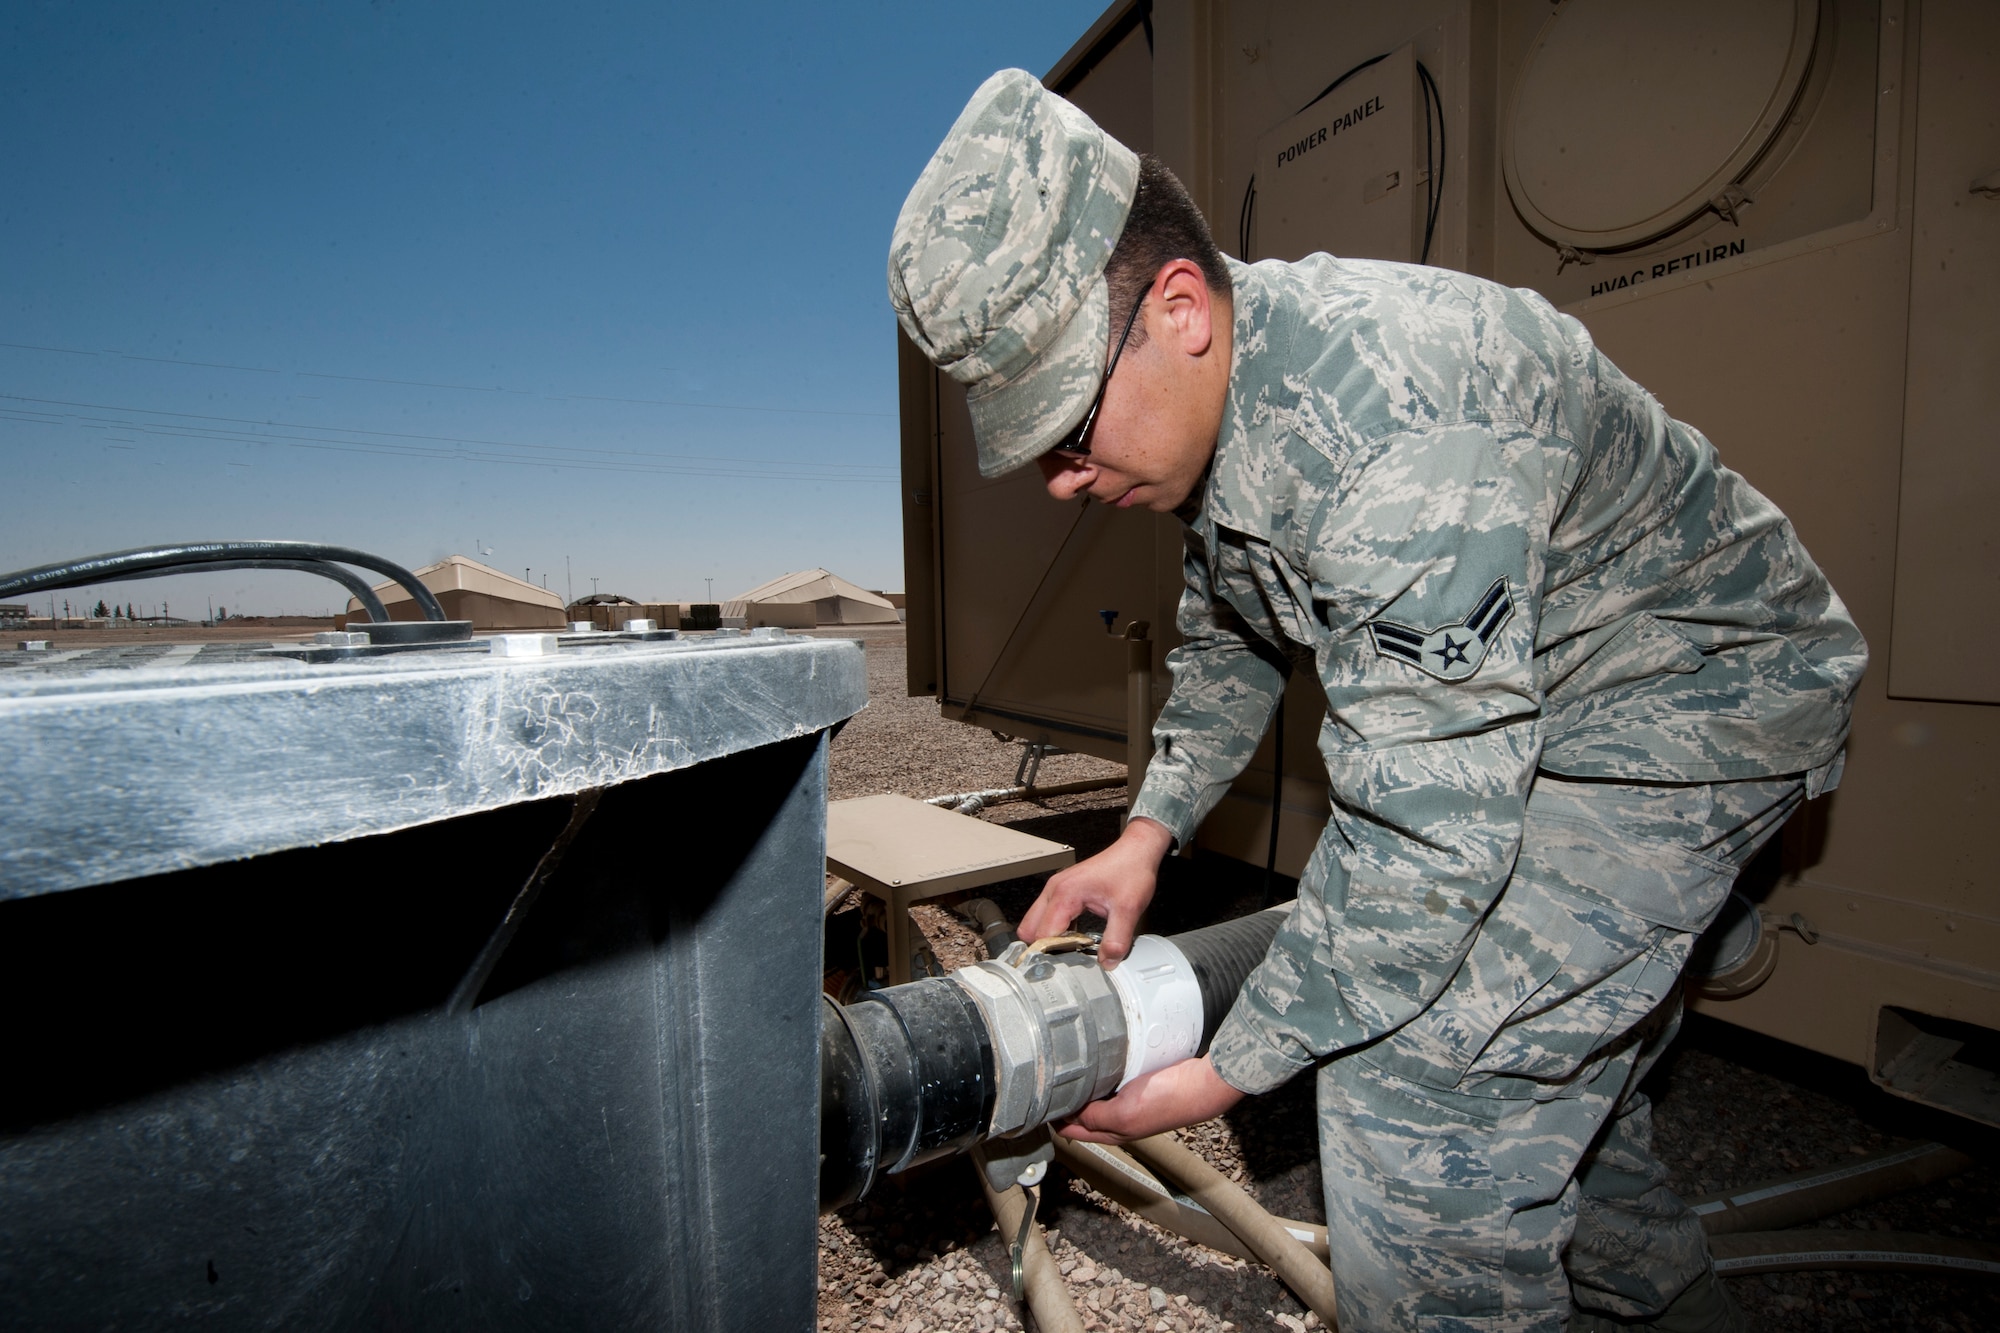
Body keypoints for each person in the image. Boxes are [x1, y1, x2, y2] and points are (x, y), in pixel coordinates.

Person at [888, 70, 1864, 1333]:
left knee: (1419, 1109)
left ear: (1178, 307)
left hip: (1689, 704)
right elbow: (1235, 624)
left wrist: (1224, 1071)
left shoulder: (1397, 422)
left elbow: (1425, 844)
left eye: (1068, 427)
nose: (1061, 482)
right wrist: (1144, 835)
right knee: (1548, 1087)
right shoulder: (1231, 408)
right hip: (1540, 704)